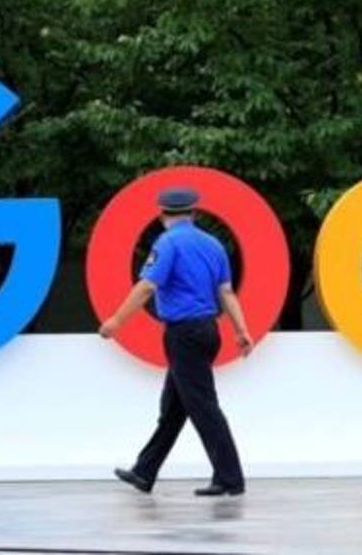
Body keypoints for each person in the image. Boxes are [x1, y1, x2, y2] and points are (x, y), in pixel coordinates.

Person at [99, 187, 253, 496]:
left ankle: (230, 479)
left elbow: (147, 287)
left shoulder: (167, 243)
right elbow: (226, 292)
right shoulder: (213, 244)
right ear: (194, 213)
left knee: (203, 407)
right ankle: (144, 472)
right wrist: (241, 330)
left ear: (161, 215)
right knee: (174, 408)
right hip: (208, 330)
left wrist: (116, 321)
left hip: (184, 334)